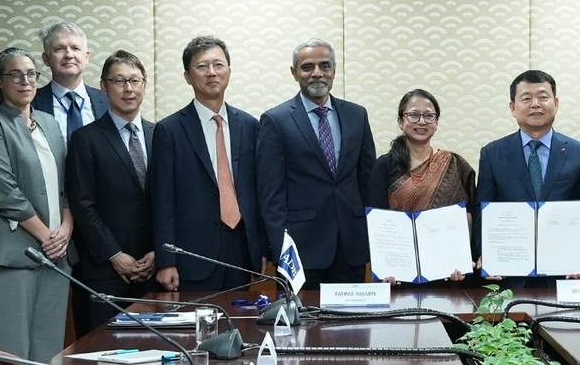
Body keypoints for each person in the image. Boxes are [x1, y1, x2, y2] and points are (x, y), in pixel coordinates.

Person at [0, 47, 76, 361]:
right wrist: (47, 236)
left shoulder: (49, 122)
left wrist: (67, 230)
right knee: (12, 353)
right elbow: (5, 191)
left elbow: (68, 185)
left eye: (31, 74)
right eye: (14, 74)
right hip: (12, 254)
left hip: (58, 253)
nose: (25, 81)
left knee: (49, 352)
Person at [258, 38, 376, 284]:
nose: (317, 73)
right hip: (301, 249)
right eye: (307, 67)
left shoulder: (357, 115)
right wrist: (280, 249)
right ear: (294, 73)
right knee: (304, 322)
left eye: (325, 66)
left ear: (334, 70)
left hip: (351, 247)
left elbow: (367, 183)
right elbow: (271, 195)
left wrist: (372, 237)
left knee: (351, 322)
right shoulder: (275, 120)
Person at [151, 36, 260, 292]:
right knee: (196, 328)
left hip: (241, 251)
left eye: (218, 65)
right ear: (187, 76)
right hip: (192, 253)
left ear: (229, 71)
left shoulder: (250, 125)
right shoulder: (169, 130)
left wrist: (260, 249)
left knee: (240, 324)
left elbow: (258, 191)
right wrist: (166, 261)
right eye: (202, 66)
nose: (212, 73)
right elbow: (162, 200)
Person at [475, 70, 580, 286]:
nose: (535, 104)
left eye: (543, 96)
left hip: (565, 272)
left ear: (556, 103)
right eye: (526, 98)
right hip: (509, 274)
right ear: (512, 107)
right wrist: (485, 255)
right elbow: (482, 208)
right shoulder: (492, 154)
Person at [65, 50, 156, 335]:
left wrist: (158, 252)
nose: (128, 89)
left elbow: (170, 201)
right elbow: (82, 205)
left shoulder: (160, 134)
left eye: (134, 80)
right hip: (105, 270)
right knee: (105, 354)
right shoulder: (85, 139)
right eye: (119, 81)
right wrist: (115, 255)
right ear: (104, 87)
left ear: (145, 85)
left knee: (159, 355)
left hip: (154, 270)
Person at [366, 89, 477, 282]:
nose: (422, 121)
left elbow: (469, 216)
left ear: (437, 123)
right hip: (398, 274)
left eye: (429, 116)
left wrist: (462, 259)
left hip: (446, 273)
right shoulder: (384, 166)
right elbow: (377, 221)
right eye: (413, 115)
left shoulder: (454, 164)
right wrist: (386, 267)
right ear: (400, 121)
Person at [32, 21, 108, 143]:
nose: (68, 55)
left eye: (75, 48)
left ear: (86, 57)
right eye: (59, 49)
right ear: (46, 59)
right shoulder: (31, 103)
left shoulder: (108, 101)